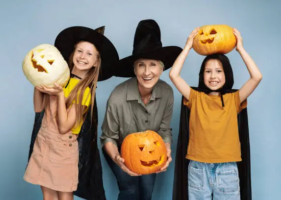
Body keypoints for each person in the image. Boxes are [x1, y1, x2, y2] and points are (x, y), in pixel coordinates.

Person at [24, 26, 119, 200]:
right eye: (80, 51)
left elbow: (64, 126)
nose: (83, 56)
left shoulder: (84, 91)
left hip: (63, 149)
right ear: (72, 53)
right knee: (48, 196)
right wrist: (37, 83)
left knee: (64, 195)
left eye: (89, 54)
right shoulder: (58, 79)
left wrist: (60, 95)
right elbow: (38, 108)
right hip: (44, 141)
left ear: (96, 62)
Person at [170, 27, 262, 200]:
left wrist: (240, 49)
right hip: (198, 168)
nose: (213, 76)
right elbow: (174, 75)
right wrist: (188, 46)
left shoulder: (234, 99)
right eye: (208, 71)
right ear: (202, 75)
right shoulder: (194, 97)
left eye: (219, 71)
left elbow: (256, 77)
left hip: (227, 168)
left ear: (227, 74)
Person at [100, 19, 182, 200]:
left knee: (146, 192)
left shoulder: (167, 92)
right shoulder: (118, 96)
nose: (147, 72)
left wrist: (166, 150)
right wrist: (117, 160)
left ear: (161, 69)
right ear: (134, 69)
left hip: (151, 148)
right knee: (130, 190)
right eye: (141, 65)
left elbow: (163, 130)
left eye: (153, 65)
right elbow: (108, 137)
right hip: (120, 149)